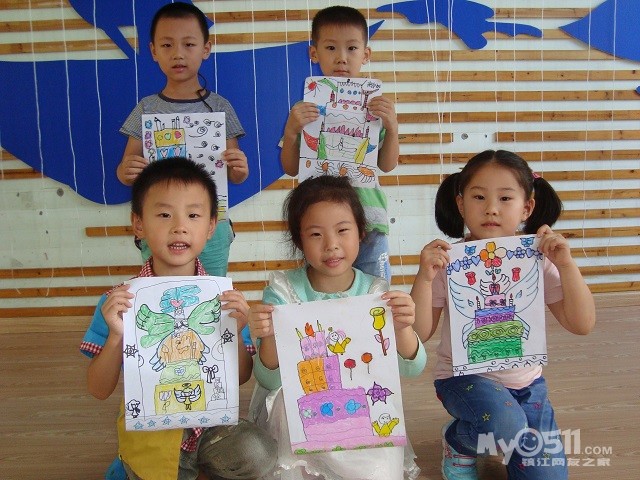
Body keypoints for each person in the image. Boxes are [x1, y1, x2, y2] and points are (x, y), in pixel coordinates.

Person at [80, 158, 276, 480]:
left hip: (210, 424)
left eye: (193, 215)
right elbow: (98, 390)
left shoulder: (222, 300)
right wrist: (116, 337)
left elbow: (241, 377)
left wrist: (236, 331)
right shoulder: (119, 302)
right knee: (166, 470)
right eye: (164, 214)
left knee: (258, 453)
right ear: (138, 224)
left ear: (211, 227)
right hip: (152, 427)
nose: (179, 227)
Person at [410, 150, 596, 480]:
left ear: (527, 207)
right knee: (504, 424)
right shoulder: (447, 262)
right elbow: (419, 333)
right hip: (463, 379)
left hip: (528, 386)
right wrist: (424, 279)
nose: (491, 208)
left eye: (505, 198)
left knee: (547, 474)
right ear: (461, 204)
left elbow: (582, 324)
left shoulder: (539, 259)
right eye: (479, 197)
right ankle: (459, 441)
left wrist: (567, 265)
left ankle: (503, 436)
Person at [248, 175, 426, 480]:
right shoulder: (282, 292)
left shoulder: (376, 294)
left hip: (360, 409)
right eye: (316, 234)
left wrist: (403, 329)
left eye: (343, 230)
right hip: (302, 413)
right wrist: (269, 336)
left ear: (361, 233)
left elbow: (412, 368)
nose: (331, 245)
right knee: (286, 406)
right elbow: (268, 378)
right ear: (299, 240)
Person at [116, 1, 248, 277]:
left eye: (188, 44)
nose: (178, 54)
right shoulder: (146, 108)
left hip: (210, 224)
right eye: (167, 45)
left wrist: (239, 168)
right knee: (159, 289)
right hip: (159, 224)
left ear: (206, 49)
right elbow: (126, 171)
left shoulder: (220, 107)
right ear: (153, 51)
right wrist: (126, 170)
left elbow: (235, 176)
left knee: (211, 291)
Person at [279, 6, 399, 283]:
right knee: (325, 291)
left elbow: (387, 165)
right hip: (321, 223)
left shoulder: (376, 107)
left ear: (365, 54)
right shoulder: (306, 107)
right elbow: (291, 167)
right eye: (331, 48)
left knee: (377, 295)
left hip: (370, 219)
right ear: (314, 53)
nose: (341, 58)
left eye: (352, 48)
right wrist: (291, 131)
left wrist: (392, 127)